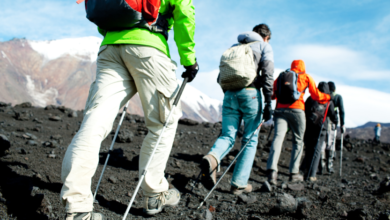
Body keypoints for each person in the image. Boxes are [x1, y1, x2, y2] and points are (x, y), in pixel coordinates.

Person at [61, 1, 198, 219]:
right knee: (162, 122)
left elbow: (104, 14)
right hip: (149, 48)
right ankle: (154, 193)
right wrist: (189, 59)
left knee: (94, 122)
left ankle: (77, 206)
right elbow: (184, 12)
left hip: (110, 48)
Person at [200, 24, 274, 195]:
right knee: (250, 139)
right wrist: (269, 101)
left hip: (229, 95)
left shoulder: (235, 47)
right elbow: (268, 74)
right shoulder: (264, 46)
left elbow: (222, 76)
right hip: (251, 94)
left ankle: (212, 158)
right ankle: (238, 184)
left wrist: (229, 94)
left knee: (227, 135)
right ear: (266, 37)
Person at [266, 60, 332, 185]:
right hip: (297, 111)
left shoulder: (281, 76)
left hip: (280, 110)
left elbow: (273, 95)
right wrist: (328, 97)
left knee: (278, 139)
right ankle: (294, 173)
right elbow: (316, 96)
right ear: (303, 67)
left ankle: (272, 172)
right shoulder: (305, 77)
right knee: (298, 141)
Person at [301, 82, 338, 181]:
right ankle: (312, 175)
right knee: (316, 150)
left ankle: (306, 172)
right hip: (321, 128)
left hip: (309, 127)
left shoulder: (311, 98)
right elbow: (333, 117)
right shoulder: (328, 101)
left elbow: (304, 111)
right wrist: (336, 119)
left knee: (308, 149)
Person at [318, 81, 345, 174]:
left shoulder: (324, 96)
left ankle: (321, 166)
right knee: (330, 143)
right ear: (334, 89)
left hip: (322, 120)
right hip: (332, 122)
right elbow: (342, 111)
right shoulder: (337, 97)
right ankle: (329, 167)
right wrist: (342, 124)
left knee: (322, 142)